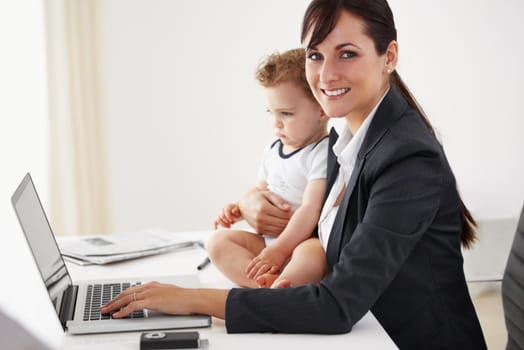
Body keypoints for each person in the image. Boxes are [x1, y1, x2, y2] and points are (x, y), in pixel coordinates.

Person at [101, 1, 488, 348]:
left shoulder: (407, 157)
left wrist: (191, 300)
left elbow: (338, 305)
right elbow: (309, 202)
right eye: (315, 55)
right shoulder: (349, 137)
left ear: (389, 56)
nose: (325, 74)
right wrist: (252, 200)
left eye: (347, 54)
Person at [208, 48, 329, 289]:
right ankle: (266, 285)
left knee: (314, 255)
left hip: (301, 241)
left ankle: (287, 283)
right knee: (217, 242)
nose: (276, 123)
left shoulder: (322, 153)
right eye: (271, 113)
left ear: (322, 109)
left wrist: (281, 250)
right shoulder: (274, 148)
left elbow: (310, 209)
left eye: (286, 113)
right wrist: (238, 209)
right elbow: (260, 191)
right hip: (268, 243)